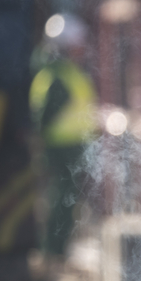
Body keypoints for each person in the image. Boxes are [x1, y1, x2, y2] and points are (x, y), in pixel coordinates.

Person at [29, 13, 98, 258]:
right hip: (62, 148)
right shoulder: (57, 77)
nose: (82, 50)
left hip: (72, 146)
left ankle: (56, 251)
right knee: (63, 199)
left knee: (67, 198)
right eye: (78, 45)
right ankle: (53, 251)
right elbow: (47, 116)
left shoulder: (65, 73)